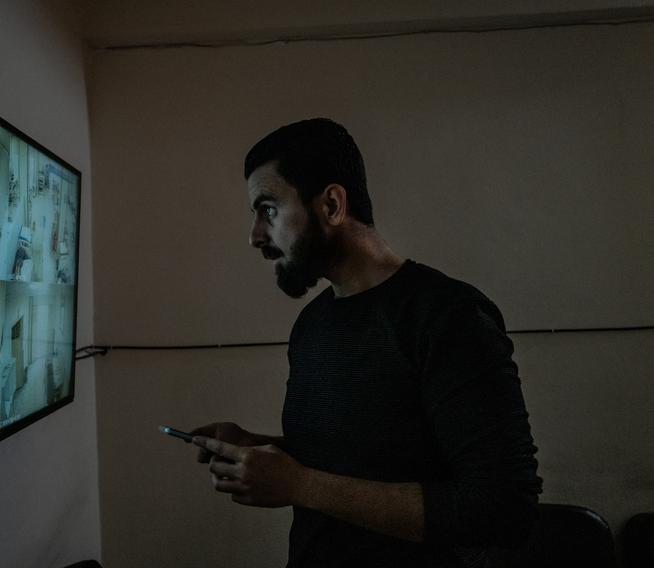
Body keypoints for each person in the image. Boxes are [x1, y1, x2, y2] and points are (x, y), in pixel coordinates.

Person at [189, 118, 542, 567]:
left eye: (268, 209)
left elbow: (504, 509)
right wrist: (257, 449)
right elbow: (353, 457)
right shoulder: (311, 325)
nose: (256, 234)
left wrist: (299, 486)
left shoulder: (448, 316)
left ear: (332, 204)